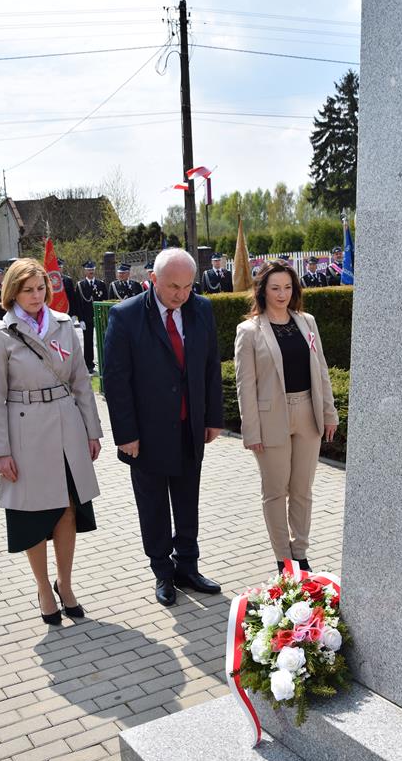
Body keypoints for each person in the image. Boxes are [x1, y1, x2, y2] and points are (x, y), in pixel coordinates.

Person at [0, 257, 103, 625]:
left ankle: (65, 584)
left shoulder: (64, 325)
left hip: (67, 425)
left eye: (40, 289)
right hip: (26, 432)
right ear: (12, 293)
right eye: (27, 290)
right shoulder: (0, 332)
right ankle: (42, 588)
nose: (36, 296)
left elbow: (81, 381)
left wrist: (92, 430)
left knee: (67, 508)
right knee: (35, 515)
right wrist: (0, 451)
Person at [103, 248, 224, 607]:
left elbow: (210, 366)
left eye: (188, 286)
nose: (181, 294)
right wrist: (126, 435)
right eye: (173, 286)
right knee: (153, 506)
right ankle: (162, 571)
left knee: (188, 501)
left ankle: (188, 565)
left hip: (190, 427)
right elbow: (116, 380)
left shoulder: (201, 309)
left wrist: (213, 418)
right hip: (147, 434)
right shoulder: (125, 316)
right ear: (153, 279)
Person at [234, 260, 338, 573]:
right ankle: (283, 558)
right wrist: (251, 431)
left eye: (288, 287)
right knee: (275, 491)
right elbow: (245, 385)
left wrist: (329, 412)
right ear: (262, 290)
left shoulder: (307, 322)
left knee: (302, 490)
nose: (282, 294)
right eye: (275, 287)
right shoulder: (249, 331)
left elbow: (320, 368)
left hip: (308, 413)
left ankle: (301, 552)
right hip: (271, 421)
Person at [75, 260, 107, 373]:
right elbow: (78, 303)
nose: (91, 272)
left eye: (92, 270)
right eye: (89, 270)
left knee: (102, 340)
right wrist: (81, 319)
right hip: (87, 318)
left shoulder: (101, 284)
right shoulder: (80, 285)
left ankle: (104, 362)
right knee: (88, 342)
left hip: (99, 317)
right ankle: (89, 364)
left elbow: (105, 300)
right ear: (85, 271)